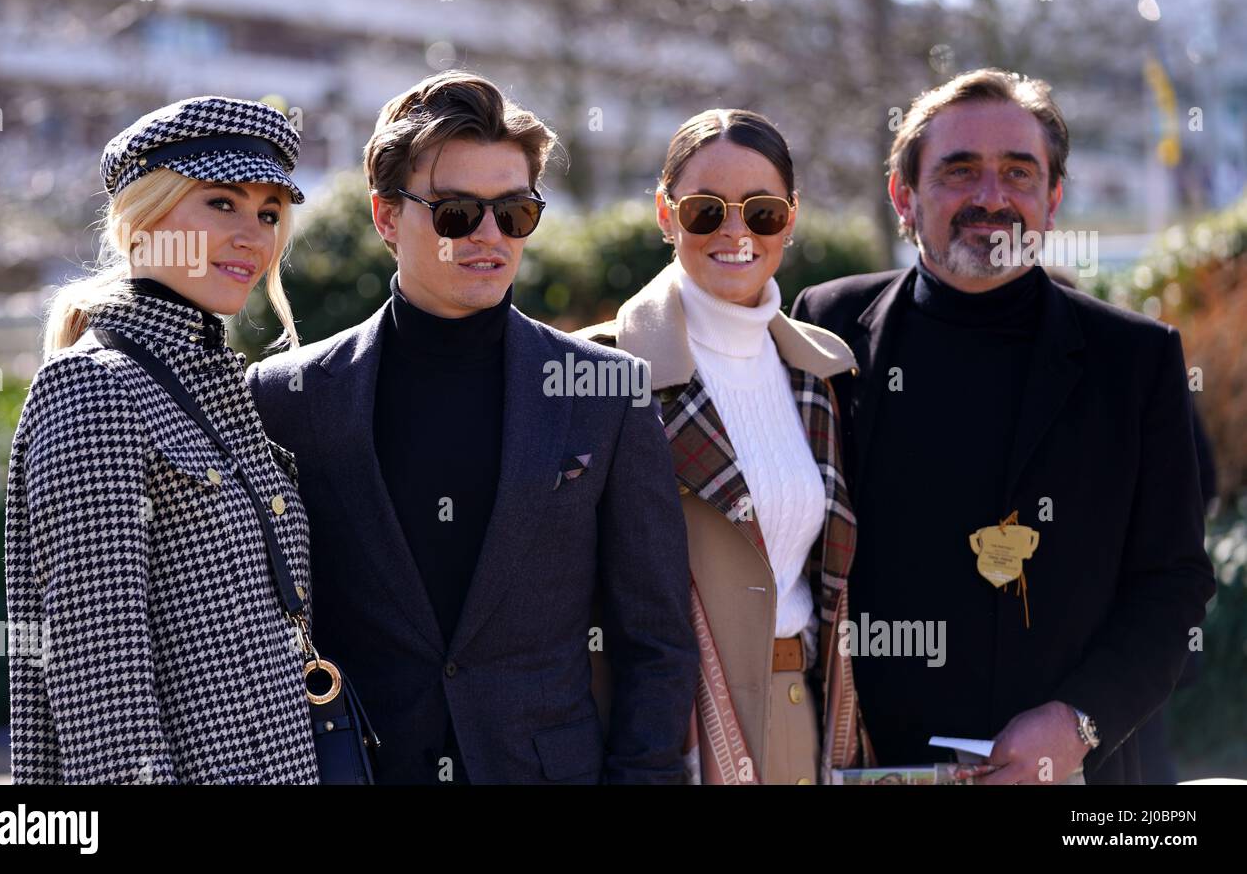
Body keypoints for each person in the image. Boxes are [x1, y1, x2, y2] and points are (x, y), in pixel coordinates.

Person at [246, 71, 698, 784]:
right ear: (387, 216)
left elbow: (658, 640)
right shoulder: (286, 397)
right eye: (456, 211)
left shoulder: (606, 390)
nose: (490, 235)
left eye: (515, 211)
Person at [790, 68, 1216, 784]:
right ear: (904, 195)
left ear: (1052, 199)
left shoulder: (1135, 358)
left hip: (1080, 774)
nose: (991, 197)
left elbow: (1171, 584)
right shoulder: (825, 327)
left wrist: (1081, 721)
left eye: (1018, 173)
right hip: (864, 762)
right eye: (960, 171)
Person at [5, 96, 319, 783]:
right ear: (142, 217)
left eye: (268, 213)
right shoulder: (94, 387)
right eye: (222, 204)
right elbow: (102, 686)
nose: (254, 236)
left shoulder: (217, 382)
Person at [578, 109, 871, 784]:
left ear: (790, 219)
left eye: (762, 212)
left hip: (806, 719)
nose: (736, 232)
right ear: (665, 212)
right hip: (664, 736)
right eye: (706, 210)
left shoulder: (821, 370)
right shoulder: (599, 368)